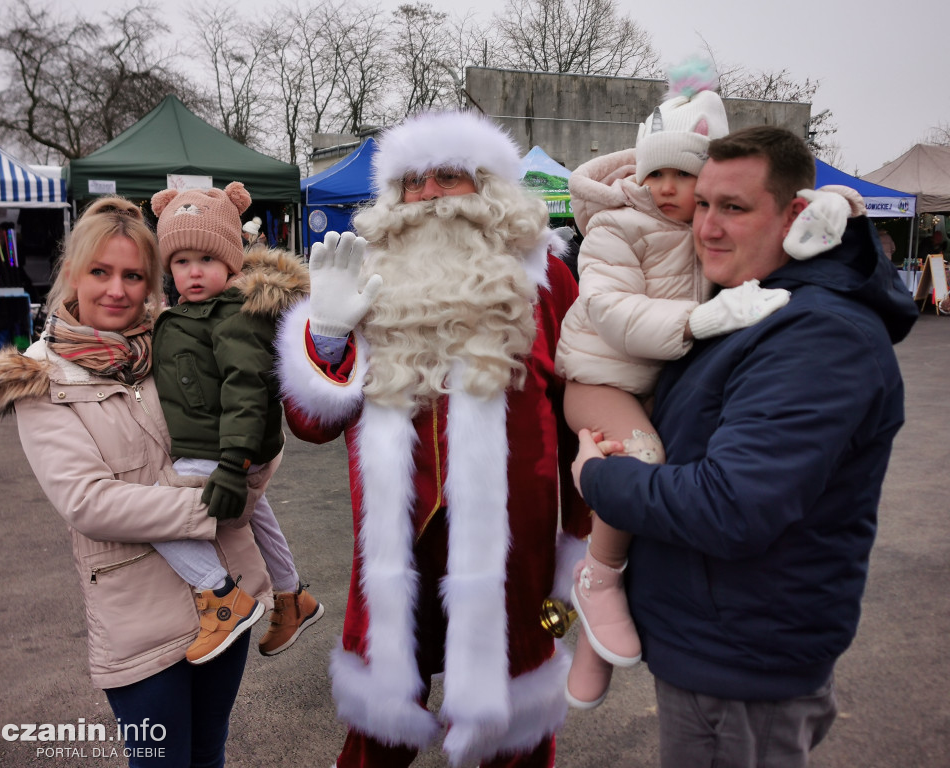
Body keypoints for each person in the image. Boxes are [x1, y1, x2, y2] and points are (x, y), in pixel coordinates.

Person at [571, 125, 918, 768]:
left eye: (734, 207)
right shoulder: (751, 305)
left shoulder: (818, 333)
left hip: (740, 664)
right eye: (702, 204)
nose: (706, 227)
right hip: (721, 642)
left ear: (795, 215)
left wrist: (599, 479)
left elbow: (731, 507)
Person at [275, 110, 590, 768]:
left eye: (449, 177)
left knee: (515, 724)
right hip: (401, 541)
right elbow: (311, 422)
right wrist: (327, 334)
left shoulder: (546, 279)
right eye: (412, 182)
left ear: (490, 189)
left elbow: (576, 411)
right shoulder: (361, 277)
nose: (427, 196)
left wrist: (581, 538)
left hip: (514, 545)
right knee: (380, 727)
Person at [0, 196, 272, 767]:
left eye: (133, 275)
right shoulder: (40, 379)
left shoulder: (181, 338)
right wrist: (218, 502)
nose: (117, 290)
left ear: (151, 281)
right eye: (100, 272)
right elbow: (90, 502)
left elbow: (251, 432)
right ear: (72, 275)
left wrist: (247, 468)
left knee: (210, 754)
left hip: (228, 602)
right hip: (139, 624)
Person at [555, 60, 792, 709]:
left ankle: (593, 658)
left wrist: (835, 208)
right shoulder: (614, 224)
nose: (664, 188)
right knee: (644, 463)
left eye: (682, 174)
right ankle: (598, 579)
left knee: (652, 508)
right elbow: (605, 306)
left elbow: (778, 212)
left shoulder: (705, 227)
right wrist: (701, 318)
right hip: (598, 376)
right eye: (653, 172)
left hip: (656, 380)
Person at [148, 181, 322, 661]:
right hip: (220, 447)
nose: (193, 272)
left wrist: (232, 462)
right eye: (181, 262)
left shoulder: (233, 315)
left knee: (154, 515)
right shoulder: (191, 313)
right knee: (259, 516)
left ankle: (221, 597)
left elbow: (246, 388)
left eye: (206, 259)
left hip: (223, 452)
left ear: (231, 260)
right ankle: (293, 597)